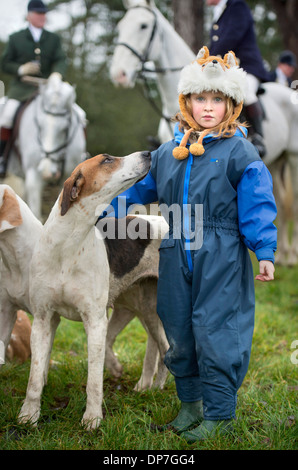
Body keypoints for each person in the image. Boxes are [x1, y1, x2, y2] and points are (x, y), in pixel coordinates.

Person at [98, 46, 277, 442]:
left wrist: (263, 249)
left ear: (231, 104)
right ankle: (190, 405)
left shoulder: (239, 152)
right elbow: (135, 190)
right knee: (177, 326)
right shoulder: (168, 153)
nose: (208, 107)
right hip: (176, 244)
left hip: (221, 253)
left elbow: (257, 203)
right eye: (201, 98)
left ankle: (219, 413)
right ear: (186, 101)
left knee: (216, 329)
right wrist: (104, 213)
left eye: (217, 99)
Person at [0, 0, 67, 178]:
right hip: (22, 88)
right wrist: (21, 69)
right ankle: (2, 159)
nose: (42, 17)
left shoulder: (53, 39)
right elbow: (4, 63)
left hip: (47, 88)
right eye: (39, 14)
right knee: (6, 117)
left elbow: (61, 59)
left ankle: (72, 157)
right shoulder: (16, 38)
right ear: (29, 16)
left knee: (76, 114)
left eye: (44, 13)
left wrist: (57, 74)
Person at [206, 0, 270, 158]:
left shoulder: (237, 6)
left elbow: (231, 37)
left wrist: (209, 58)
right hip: (226, 68)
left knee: (246, 93)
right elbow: (216, 42)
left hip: (246, 66)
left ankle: (258, 138)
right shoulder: (219, 11)